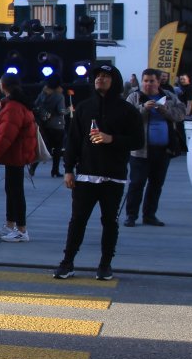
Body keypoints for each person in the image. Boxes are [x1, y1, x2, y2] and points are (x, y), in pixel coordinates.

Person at [54, 62, 143, 281]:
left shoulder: (127, 110)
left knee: (109, 222)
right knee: (77, 220)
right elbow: (73, 140)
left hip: (113, 176)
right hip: (85, 174)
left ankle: (105, 265)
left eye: (105, 76)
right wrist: (68, 169)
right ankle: (67, 262)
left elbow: (138, 141)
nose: (100, 79)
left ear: (115, 81)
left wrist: (112, 139)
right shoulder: (84, 107)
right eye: (97, 76)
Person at [123, 68, 188, 227]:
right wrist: (143, 108)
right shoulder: (134, 96)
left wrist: (165, 110)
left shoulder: (169, 96)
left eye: (152, 81)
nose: (148, 84)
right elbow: (125, 118)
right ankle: (131, 216)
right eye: (145, 81)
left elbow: (181, 114)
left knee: (156, 184)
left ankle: (150, 215)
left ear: (158, 82)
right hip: (140, 150)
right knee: (137, 183)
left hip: (163, 149)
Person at [0, 73, 37, 242]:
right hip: (16, 154)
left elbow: (5, 136)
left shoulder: (13, 107)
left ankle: (21, 230)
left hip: (16, 154)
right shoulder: (16, 104)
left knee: (16, 191)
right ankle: (10, 225)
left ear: (3, 86)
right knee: (12, 189)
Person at [34, 80, 69, 177]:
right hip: (57, 125)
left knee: (47, 146)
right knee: (58, 148)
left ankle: (34, 165)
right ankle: (55, 170)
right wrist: (69, 110)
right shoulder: (59, 96)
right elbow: (61, 111)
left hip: (45, 124)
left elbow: (35, 105)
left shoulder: (42, 95)